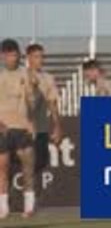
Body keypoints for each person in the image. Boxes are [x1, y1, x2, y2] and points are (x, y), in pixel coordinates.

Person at [0, 38, 37, 217]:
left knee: (28, 166)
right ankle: (3, 208)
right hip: (3, 128)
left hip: (22, 127)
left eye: (15, 55)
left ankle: (29, 207)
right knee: (3, 168)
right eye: (9, 55)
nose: (12, 59)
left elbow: (31, 100)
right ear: (2, 56)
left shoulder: (26, 74)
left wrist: (31, 122)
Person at [24, 43, 62, 179]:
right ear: (28, 58)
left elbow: (52, 103)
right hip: (21, 127)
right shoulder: (20, 76)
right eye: (36, 57)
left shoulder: (48, 78)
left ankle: (27, 192)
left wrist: (57, 126)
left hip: (41, 127)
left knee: (41, 161)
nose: (40, 60)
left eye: (42, 57)